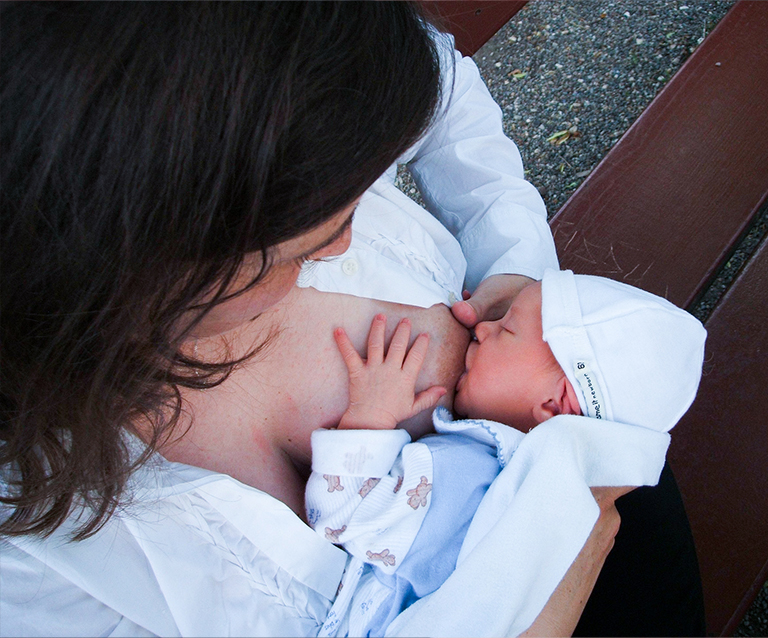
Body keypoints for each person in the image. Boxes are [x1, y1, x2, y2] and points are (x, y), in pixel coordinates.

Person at [0, 3, 629, 636]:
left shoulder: (261, 63)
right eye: (312, 239)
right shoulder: (39, 565)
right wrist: (554, 606)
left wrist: (519, 279)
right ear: (148, 255)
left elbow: (441, 96)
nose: (343, 245)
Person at [305, 269, 707, 635]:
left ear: (554, 405)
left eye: (506, 329)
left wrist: (371, 416)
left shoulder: (465, 474)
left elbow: (340, 517)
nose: (481, 326)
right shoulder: (542, 504)